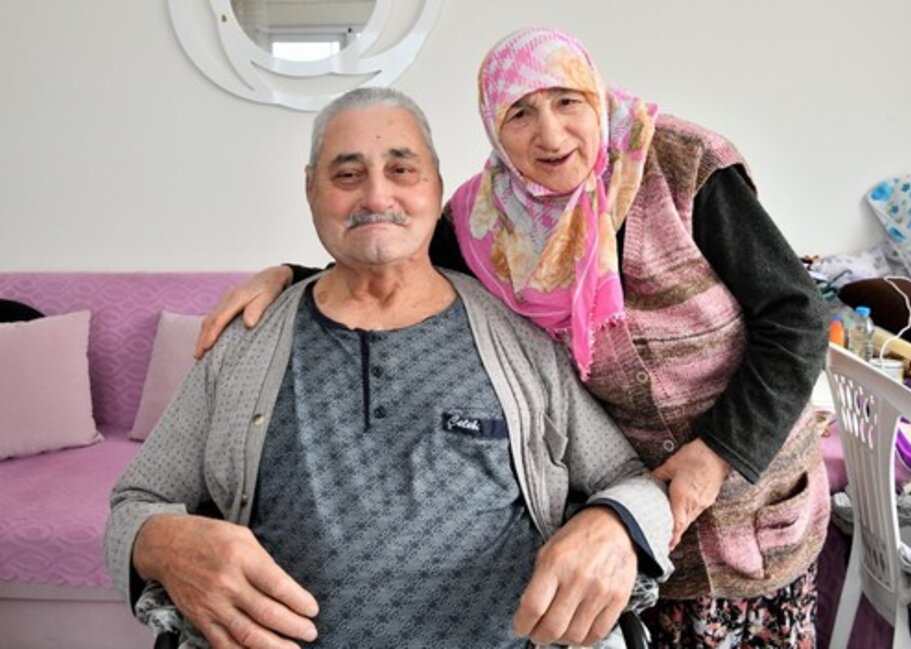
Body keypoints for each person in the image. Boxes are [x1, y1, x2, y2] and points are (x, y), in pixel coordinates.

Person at [196, 28, 831, 648]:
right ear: (493, 127)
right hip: (626, 517)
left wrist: (715, 455)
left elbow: (796, 315)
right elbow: (391, 259)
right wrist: (294, 279)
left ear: (596, 97)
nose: (550, 134)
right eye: (520, 113)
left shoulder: (681, 164)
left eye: (567, 101)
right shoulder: (485, 219)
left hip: (750, 502)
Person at [105, 86, 676, 649]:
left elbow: (632, 480)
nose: (376, 196)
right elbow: (135, 502)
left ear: (436, 184)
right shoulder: (246, 340)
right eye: (347, 175)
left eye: (401, 170)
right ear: (310, 189)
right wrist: (160, 542)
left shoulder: (518, 339)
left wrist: (615, 526)